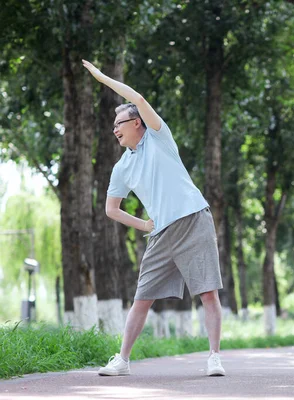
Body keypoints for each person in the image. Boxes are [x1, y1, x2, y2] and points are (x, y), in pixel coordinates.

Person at [82, 59, 225, 377]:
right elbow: (111, 209)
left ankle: (214, 356)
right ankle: (122, 360)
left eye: (120, 122)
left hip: (193, 220)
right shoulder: (121, 167)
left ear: (137, 124)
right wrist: (143, 224)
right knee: (142, 297)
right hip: (161, 234)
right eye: (113, 125)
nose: (114, 129)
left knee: (208, 292)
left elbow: (140, 100)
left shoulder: (160, 138)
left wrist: (103, 79)